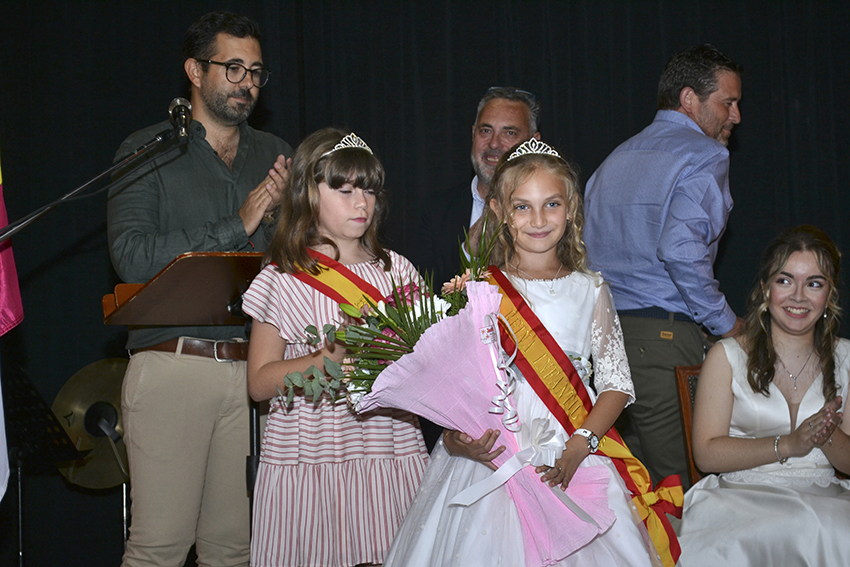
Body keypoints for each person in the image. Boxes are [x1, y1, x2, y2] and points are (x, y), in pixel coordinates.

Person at [385, 139, 664, 567]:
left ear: (571, 209)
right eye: (522, 207)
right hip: (490, 458)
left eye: (551, 204)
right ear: (498, 210)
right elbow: (453, 384)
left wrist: (580, 445)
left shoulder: (591, 289)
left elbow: (617, 385)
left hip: (568, 451)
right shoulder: (477, 288)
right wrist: (455, 439)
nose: (538, 219)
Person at [106, 11, 291, 567]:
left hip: (254, 372)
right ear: (194, 69)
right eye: (232, 68)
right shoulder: (147, 151)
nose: (248, 83)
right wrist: (240, 222)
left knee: (234, 550)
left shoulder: (277, 153)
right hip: (172, 367)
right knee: (160, 547)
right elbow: (131, 257)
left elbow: (302, 260)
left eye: (256, 71)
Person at [242, 128, 429, 567]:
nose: (360, 202)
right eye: (343, 190)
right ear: (308, 193)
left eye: (368, 189)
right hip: (310, 454)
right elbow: (257, 382)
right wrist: (321, 362)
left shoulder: (398, 272)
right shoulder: (284, 277)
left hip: (388, 448)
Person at [583, 44, 745, 488]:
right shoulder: (706, 155)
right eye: (726, 103)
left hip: (605, 347)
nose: (735, 117)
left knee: (629, 490)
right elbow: (680, 248)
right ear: (689, 99)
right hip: (664, 342)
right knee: (681, 494)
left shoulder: (613, 159)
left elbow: (582, 255)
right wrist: (727, 324)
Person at [678, 225, 850, 565]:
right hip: (740, 497)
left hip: (825, 497)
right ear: (765, 288)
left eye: (814, 283)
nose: (798, 296)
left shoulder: (846, 357)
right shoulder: (726, 356)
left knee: (832, 530)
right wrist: (789, 444)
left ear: (828, 295)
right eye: (785, 281)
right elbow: (707, 455)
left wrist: (825, 433)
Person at [408, 86, 541, 288]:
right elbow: (420, 298)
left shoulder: (550, 212)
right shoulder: (435, 210)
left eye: (509, 132)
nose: (494, 143)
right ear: (473, 134)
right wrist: (468, 253)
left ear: (533, 141)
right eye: (486, 130)